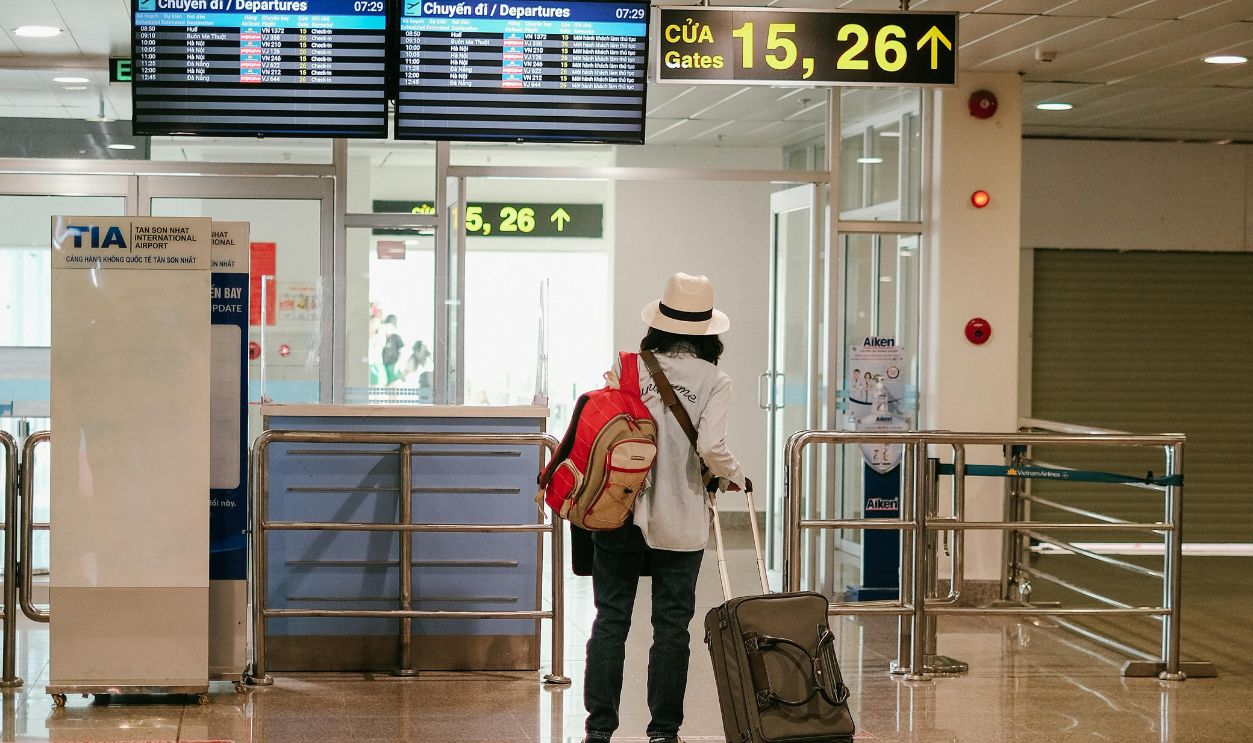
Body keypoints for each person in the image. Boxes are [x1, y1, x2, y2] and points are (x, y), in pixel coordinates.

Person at [582, 272, 749, 743]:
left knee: (611, 620)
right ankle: (663, 733)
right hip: (681, 516)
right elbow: (712, 448)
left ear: (658, 323)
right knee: (672, 627)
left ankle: (599, 730)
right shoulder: (715, 380)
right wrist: (736, 475)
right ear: (709, 331)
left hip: (618, 512)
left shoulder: (629, 367)